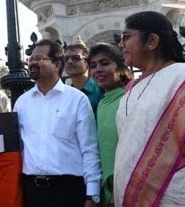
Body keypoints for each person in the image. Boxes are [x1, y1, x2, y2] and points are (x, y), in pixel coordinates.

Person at [114, 11, 185, 206]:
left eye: (127, 37)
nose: (121, 45)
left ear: (151, 41)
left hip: (179, 196)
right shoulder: (131, 88)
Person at [15, 39, 101, 207]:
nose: (32, 62)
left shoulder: (77, 100)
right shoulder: (22, 103)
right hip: (31, 192)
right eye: (30, 59)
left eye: (38, 58)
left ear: (56, 64)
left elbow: (89, 149)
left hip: (68, 191)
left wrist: (92, 194)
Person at [88, 43, 132, 207]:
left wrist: (116, 191)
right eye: (93, 66)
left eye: (105, 63)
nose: (98, 69)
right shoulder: (102, 103)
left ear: (120, 67)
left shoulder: (129, 98)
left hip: (126, 188)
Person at [65, 39, 103, 114]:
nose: (69, 62)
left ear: (87, 62)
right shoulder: (65, 94)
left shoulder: (101, 90)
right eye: (66, 59)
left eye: (76, 58)